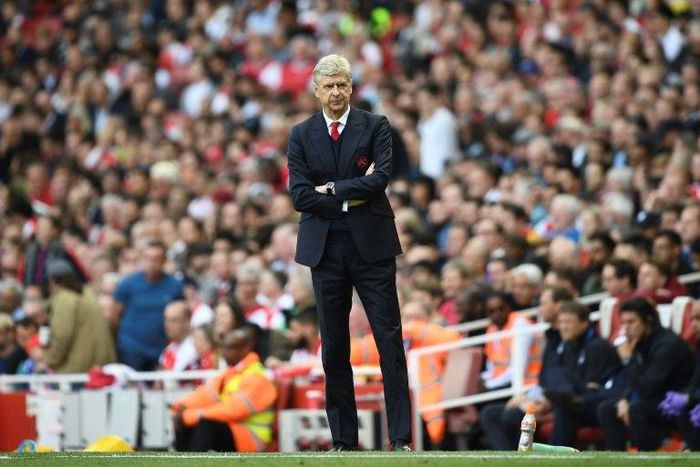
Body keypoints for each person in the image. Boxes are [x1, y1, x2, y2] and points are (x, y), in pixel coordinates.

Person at [287, 54, 411, 451]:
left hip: (371, 245)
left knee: (388, 341)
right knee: (334, 346)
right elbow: (299, 195)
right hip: (326, 248)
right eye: (329, 85)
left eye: (342, 84)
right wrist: (348, 196)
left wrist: (334, 190)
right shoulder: (301, 134)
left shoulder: (376, 125)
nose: (336, 92)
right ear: (316, 90)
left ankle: (402, 439)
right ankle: (343, 441)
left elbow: (380, 179)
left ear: (352, 87)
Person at [597, 297, 694, 451]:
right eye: (623, 323)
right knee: (607, 409)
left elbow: (648, 387)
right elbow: (634, 382)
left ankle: (648, 455)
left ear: (648, 320)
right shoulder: (640, 341)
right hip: (654, 399)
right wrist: (625, 399)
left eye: (631, 322)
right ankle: (618, 459)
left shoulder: (668, 344)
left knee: (637, 409)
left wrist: (628, 358)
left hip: (676, 403)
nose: (626, 328)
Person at [171, 328, 277, 452]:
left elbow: (233, 410)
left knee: (206, 424)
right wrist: (180, 407)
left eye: (230, 347)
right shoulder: (231, 372)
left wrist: (192, 415)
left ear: (245, 349)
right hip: (235, 430)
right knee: (185, 422)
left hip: (252, 438)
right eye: (223, 347)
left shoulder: (257, 377)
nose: (224, 352)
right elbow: (207, 394)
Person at [111, 240, 184, 371]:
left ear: (164, 261)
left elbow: (180, 314)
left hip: (160, 349)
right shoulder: (128, 283)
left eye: (157, 259)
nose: (152, 264)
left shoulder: (174, 286)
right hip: (131, 348)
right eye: (148, 259)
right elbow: (115, 314)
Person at [44, 259, 116, 373]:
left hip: (79, 368)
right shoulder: (87, 294)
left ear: (52, 281)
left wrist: (50, 359)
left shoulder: (64, 298)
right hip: (102, 364)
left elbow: (62, 335)